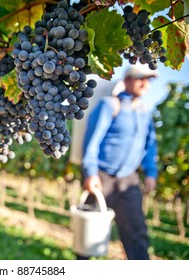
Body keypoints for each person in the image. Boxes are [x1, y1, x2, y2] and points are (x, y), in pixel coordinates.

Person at [81, 64, 159, 260]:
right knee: (88, 231)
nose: (145, 84)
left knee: (136, 233)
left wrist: (151, 173)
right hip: (102, 178)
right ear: (127, 80)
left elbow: (150, 146)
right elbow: (93, 139)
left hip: (129, 180)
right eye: (140, 78)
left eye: (148, 80)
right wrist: (90, 172)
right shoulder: (109, 105)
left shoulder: (144, 112)